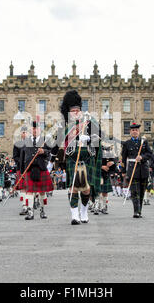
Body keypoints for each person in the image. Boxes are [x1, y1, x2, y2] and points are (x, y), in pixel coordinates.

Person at [60, 90, 102, 225]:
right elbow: (59, 141)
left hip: (87, 158)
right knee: (73, 187)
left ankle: (84, 211)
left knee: (86, 188)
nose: (75, 112)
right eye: (72, 110)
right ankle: (74, 215)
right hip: (73, 158)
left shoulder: (89, 121)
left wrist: (89, 138)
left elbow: (99, 136)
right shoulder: (66, 125)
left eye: (77, 110)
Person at [20, 121, 54, 220]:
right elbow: (22, 157)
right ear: (31, 130)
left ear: (40, 130)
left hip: (41, 168)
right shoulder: (26, 141)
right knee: (29, 191)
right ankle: (30, 212)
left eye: (37, 128)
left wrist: (44, 151)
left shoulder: (45, 141)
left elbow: (50, 154)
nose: (35, 130)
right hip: (29, 169)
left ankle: (42, 210)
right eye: (33, 128)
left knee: (42, 192)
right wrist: (22, 172)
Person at [121, 123, 152, 218]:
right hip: (132, 170)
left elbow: (150, 154)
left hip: (143, 170)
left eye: (136, 130)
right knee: (134, 192)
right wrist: (123, 171)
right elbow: (123, 158)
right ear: (130, 132)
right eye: (133, 130)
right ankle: (136, 211)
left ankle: (140, 210)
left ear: (139, 132)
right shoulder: (126, 143)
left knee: (142, 191)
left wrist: (142, 157)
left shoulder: (144, 142)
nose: (135, 132)